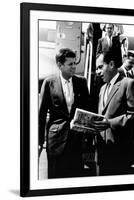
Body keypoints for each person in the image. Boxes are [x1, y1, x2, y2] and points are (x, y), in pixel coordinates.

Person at [39, 48, 90, 178]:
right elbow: (42, 114)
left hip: (76, 141)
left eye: (75, 63)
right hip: (55, 140)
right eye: (70, 64)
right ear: (60, 65)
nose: (74, 67)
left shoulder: (81, 82)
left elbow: (88, 110)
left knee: (73, 179)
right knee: (55, 179)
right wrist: (39, 140)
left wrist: (87, 138)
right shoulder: (49, 83)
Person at [92, 51, 134, 175]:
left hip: (120, 154)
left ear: (111, 64)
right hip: (102, 151)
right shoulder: (102, 88)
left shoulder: (128, 84)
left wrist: (110, 123)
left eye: (100, 67)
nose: (97, 72)